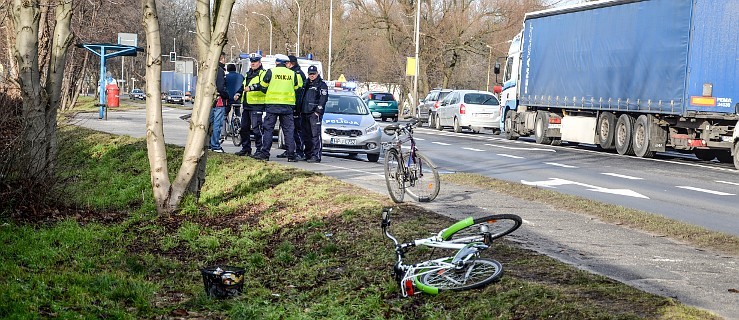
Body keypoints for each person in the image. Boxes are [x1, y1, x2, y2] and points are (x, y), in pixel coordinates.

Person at [246, 54, 302, 161]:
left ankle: (265, 153)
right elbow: (297, 87)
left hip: (272, 105)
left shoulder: (271, 72)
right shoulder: (292, 74)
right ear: (285, 63)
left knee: (268, 130)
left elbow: (263, 85)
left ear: (277, 62)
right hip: (287, 106)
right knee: (288, 131)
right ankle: (291, 155)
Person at [235, 54, 267, 156]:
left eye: (255, 61)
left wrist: (251, 88)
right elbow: (243, 86)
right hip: (247, 105)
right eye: (252, 61)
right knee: (244, 128)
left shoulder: (263, 73)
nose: (253, 63)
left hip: (257, 104)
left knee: (256, 129)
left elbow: (263, 86)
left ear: (259, 63)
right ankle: (246, 148)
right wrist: (238, 93)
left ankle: (259, 150)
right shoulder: (248, 74)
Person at [277, 55, 307, 160]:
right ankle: (289, 150)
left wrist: (297, 106)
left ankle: (299, 151)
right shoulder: (293, 73)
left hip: (296, 106)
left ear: (291, 63)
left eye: (286, 63)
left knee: (296, 130)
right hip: (289, 105)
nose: (285, 65)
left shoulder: (297, 74)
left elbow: (299, 92)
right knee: (289, 130)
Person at [300, 65, 329, 163]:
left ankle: (316, 155)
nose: (311, 76)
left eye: (313, 74)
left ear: (317, 73)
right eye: (310, 74)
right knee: (306, 135)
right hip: (304, 112)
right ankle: (308, 154)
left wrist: (318, 112)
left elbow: (323, 99)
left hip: (314, 113)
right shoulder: (305, 83)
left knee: (315, 135)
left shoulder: (321, 85)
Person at [208, 52, 228, 153]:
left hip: (210, 101)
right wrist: (226, 95)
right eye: (224, 59)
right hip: (219, 101)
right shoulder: (220, 71)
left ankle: (209, 143)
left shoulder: (210, 70)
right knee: (217, 124)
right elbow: (220, 87)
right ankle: (215, 145)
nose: (225, 61)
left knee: (210, 122)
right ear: (221, 59)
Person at [224, 63, 245, 140]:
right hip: (238, 98)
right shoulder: (241, 76)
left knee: (224, 114)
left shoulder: (226, 77)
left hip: (228, 98)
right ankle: (238, 123)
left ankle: (225, 132)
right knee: (237, 112)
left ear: (228, 70)